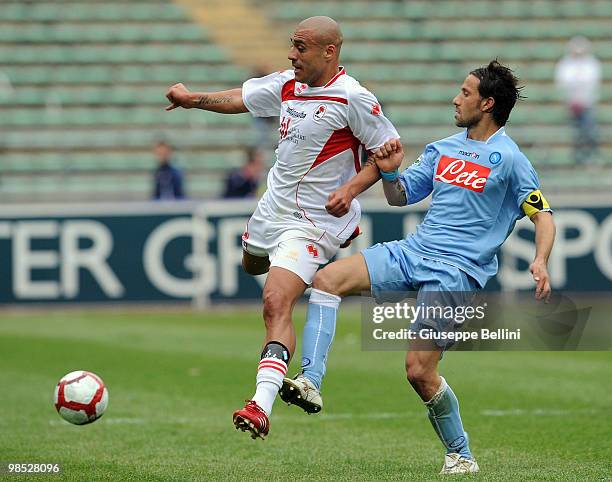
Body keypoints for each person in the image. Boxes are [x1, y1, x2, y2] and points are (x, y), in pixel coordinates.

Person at [280, 60, 556, 474]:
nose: (455, 99)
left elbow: (543, 215)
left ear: (488, 103)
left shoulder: (511, 160)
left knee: (418, 371)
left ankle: (461, 454)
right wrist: (390, 173)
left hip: (456, 273)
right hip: (414, 252)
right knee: (327, 279)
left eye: (465, 93)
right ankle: (311, 382)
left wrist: (540, 259)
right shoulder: (442, 148)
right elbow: (400, 195)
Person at [165, 16, 399, 439]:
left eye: (301, 47)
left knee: (275, 301)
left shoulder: (353, 99)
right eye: (292, 46)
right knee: (252, 266)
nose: (292, 54)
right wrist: (190, 99)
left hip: (314, 222)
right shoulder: (289, 84)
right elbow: (242, 98)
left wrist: (351, 188)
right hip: (270, 209)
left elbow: (389, 156)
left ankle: (261, 404)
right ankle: (334, 282)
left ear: (329, 51)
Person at [554, 36, 601, 164]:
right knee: (575, 133)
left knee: (589, 131)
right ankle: (577, 158)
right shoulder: (566, 64)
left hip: (587, 104)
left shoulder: (591, 63)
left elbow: (591, 82)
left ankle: (589, 157)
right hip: (570, 105)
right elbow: (563, 82)